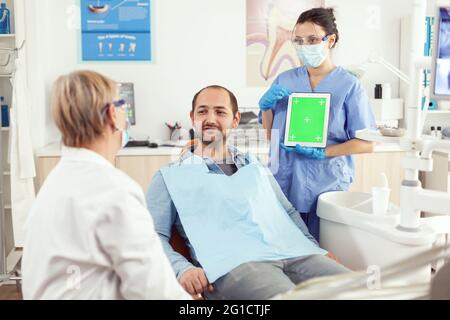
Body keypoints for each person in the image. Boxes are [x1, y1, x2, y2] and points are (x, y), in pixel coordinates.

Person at [146, 85, 350, 300]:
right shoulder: (169, 176)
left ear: (235, 120)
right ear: (192, 117)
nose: (210, 118)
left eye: (220, 112)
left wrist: (314, 247)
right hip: (236, 264)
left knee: (360, 291)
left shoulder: (254, 165)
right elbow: (151, 235)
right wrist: (182, 269)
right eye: (202, 111)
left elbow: (287, 211)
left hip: (294, 252)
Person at [21, 70, 190, 300]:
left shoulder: (53, 184)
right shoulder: (114, 190)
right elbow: (156, 291)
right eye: (122, 105)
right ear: (112, 114)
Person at [259, 7, 376, 241]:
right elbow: (272, 135)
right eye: (299, 41)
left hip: (327, 182)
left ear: (330, 40)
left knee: (324, 251)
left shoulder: (348, 86)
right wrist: (266, 108)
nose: (305, 47)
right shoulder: (285, 80)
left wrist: (324, 152)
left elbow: (367, 143)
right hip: (286, 180)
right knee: (288, 251)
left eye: (312, 39)